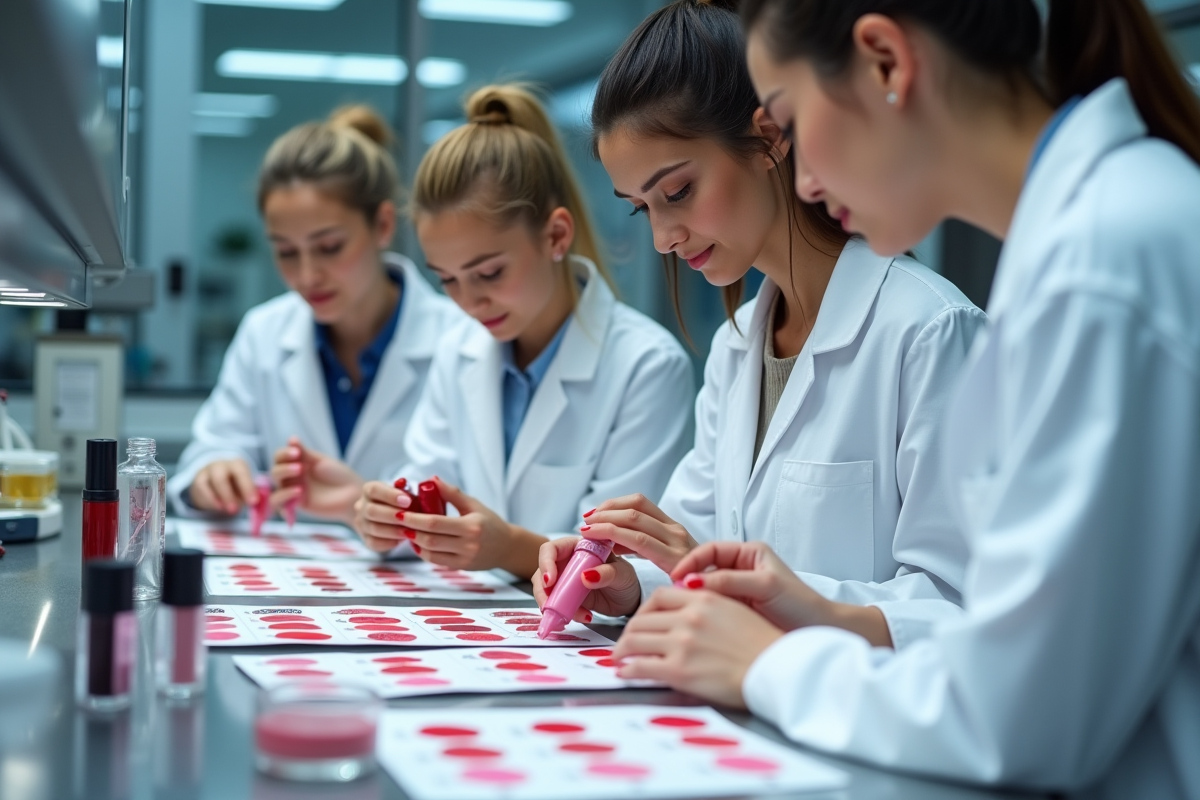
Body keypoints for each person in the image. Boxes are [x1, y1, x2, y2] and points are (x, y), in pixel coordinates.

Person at [611, 0, 1200, 795]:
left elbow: (1018, 717)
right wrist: (802, 612)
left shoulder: (1101, 263)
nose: (805, 178)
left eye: (786, 122)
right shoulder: (1089, 240)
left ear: (886, 61)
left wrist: (773, 663)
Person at [534, 0, 985, 650]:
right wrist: (629, 581)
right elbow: (698, 551)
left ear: (770, 136)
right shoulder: (736, 344)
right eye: (641, 210)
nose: (663, 238)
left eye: (678, 192)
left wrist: (758, 591)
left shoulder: (928, 330)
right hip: (751, 704)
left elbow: (956, 603)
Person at [286, 85, 694, 580]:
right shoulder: (460, 347)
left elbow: (625, 562)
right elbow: (425, 486)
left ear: (556, 236)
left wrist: (507, 548)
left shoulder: (647, 365)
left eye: (490, 272)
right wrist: (387, 517)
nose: (468, 302)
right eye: (448, 280)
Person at [168, 106, 460, 519]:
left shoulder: (460, 338)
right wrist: (212, 475)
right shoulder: (264, 332)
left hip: (422, 578)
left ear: (382, 225)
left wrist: (371, 507)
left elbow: (475, 507)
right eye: (286, 252)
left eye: (329, 247)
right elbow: (214, 447)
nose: (306, 276)